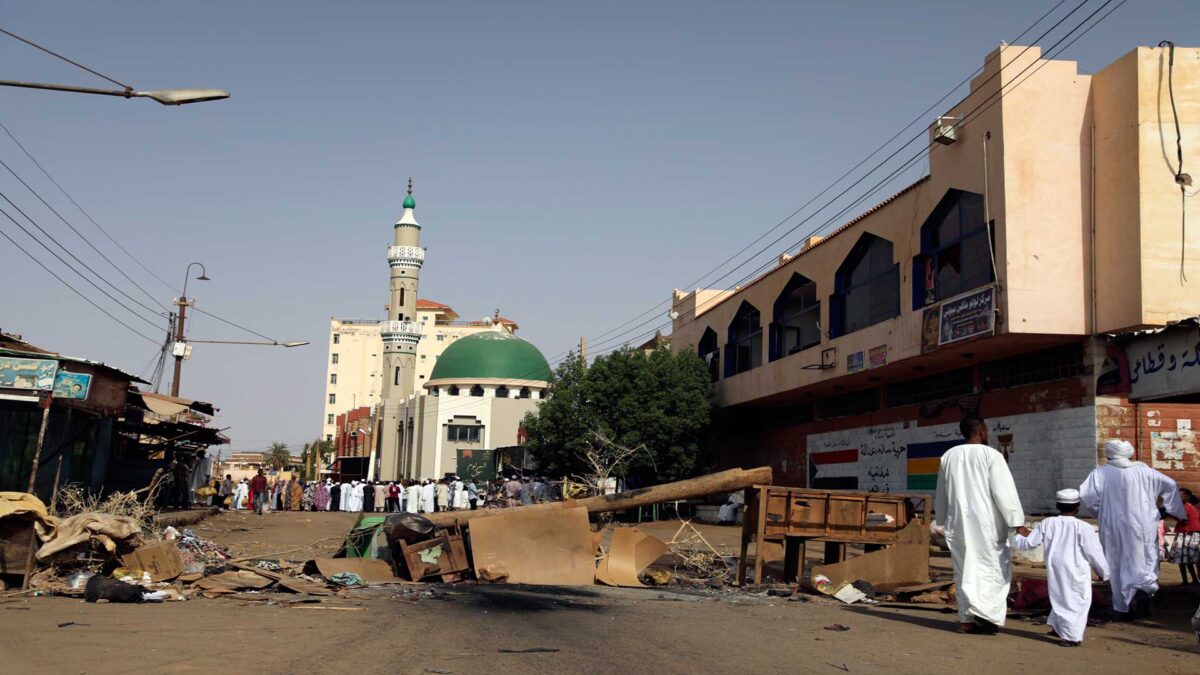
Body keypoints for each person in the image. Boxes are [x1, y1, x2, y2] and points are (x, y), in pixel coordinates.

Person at [933, 415, 1025, 635]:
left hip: (959, 525)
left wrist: (942, 519)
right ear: (982, 432)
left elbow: (941, 494)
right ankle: (988, 616)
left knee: (964, 570)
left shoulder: (949, 456)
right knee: (992, 568)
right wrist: (1017, 522)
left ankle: (967, 620)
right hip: (987, 525)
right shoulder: (991, 455)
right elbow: (1004, 492)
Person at [1078, 439, 1185, 619]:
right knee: (1144, 560)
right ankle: (1144, 593)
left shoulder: (1100, 473)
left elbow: (1086, 496)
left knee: (1116, 562)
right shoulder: (1146, 472)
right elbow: (1171, 485)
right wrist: (1166, 510)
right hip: (1143, 525)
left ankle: (1122, 607)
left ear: (1109, 454)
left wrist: (1101, 511)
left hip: (1113, 526)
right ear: (1130, 453)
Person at [1014, 489, 1109, 647]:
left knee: (1060, 597)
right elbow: (1094, 553)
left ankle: (1058, 627)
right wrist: (1103, 572)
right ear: (1077, 507)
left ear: (1058, 505)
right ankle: (1071, 637)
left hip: (1056, 567)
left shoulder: (1048, 523)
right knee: (1077, 601)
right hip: (1076, 569)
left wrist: (1019, 534)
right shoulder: (1084, 527)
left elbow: (1028, 543)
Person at [1166, 488, 1200, 585]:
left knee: (1182, 558)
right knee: (1188, 559)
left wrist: (1171, 513)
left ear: (1187, 497)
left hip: (1186, 534)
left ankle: (1186, 580)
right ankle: (1194, 579)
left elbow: (1183, 519)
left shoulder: (1185, 507)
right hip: (1193, 534)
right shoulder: (1195, 508)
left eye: (1179, 495)